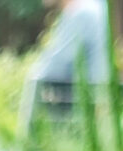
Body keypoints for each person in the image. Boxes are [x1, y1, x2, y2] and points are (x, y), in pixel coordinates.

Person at [22, 0, 113, 128]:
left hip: (84, 104)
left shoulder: (82, 13)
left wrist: (34, 72)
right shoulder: (93, 7)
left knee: (35, 79)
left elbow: (54, 68)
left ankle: (27, 143)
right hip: (89, 98)